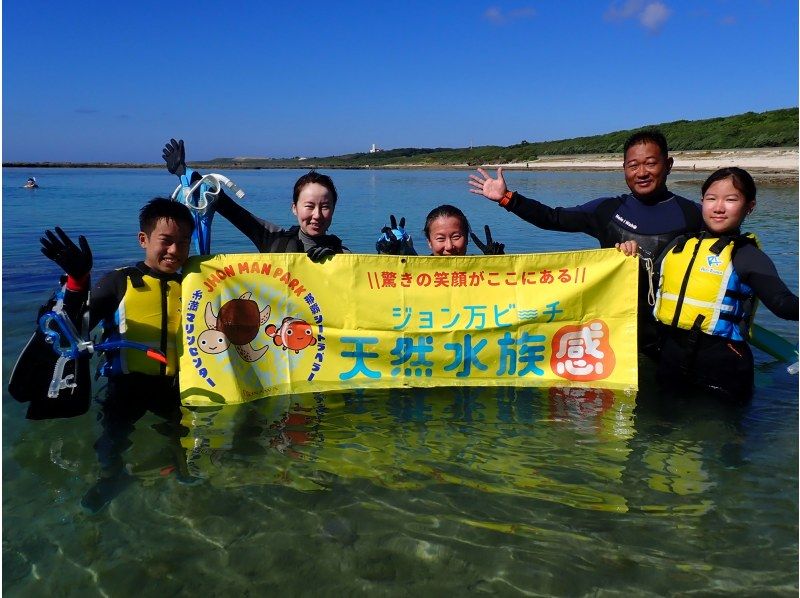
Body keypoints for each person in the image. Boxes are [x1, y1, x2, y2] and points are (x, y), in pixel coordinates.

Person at [468, 130, 703, 354]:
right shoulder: (608, 210)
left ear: (668, 165)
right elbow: (554, 218)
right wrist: (508, 199)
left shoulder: (694, 215)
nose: (641, 172)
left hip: (673, 335)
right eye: (633, 165)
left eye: (651, 163)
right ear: (624, 169)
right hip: (617, 331)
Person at [40, 198, 197, 512]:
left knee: (183, 433)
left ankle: (181, 467)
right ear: (143, 240)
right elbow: (73, 327)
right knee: (112, 440)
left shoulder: (191, 284)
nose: (175, 251)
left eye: (183, 243)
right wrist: (76, 282)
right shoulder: (119, 282)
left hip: (173, 385)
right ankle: (112, 477)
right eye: (166, 241)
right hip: (126, 385)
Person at [618, 167, 798, 401]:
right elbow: (643, 287)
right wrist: (624, 256)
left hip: (723, 370)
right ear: (702, 202)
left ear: (750, 206)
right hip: (671, 361)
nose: (719, 207)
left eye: (731, 199)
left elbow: (782, 303)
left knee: (719, 433)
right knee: (659, 431)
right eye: (711, 199)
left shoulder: (747, 256)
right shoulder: (677, 246)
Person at [163, 138, 348, 261]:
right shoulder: (275, 240)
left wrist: (335, 266)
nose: (316, 215)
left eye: (325, 206)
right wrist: (185, 174)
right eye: (309, 206)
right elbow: (229, 208)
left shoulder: (346, 257)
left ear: (333, 210)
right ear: (294, 208)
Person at [376, 205, 505, 256]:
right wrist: (388, 253)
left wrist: (497, 265)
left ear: (467, 238)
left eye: (456, 237)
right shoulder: (417, 271)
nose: (449, 247)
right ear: (429, 242)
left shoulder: (482, 272)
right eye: (440, 239)